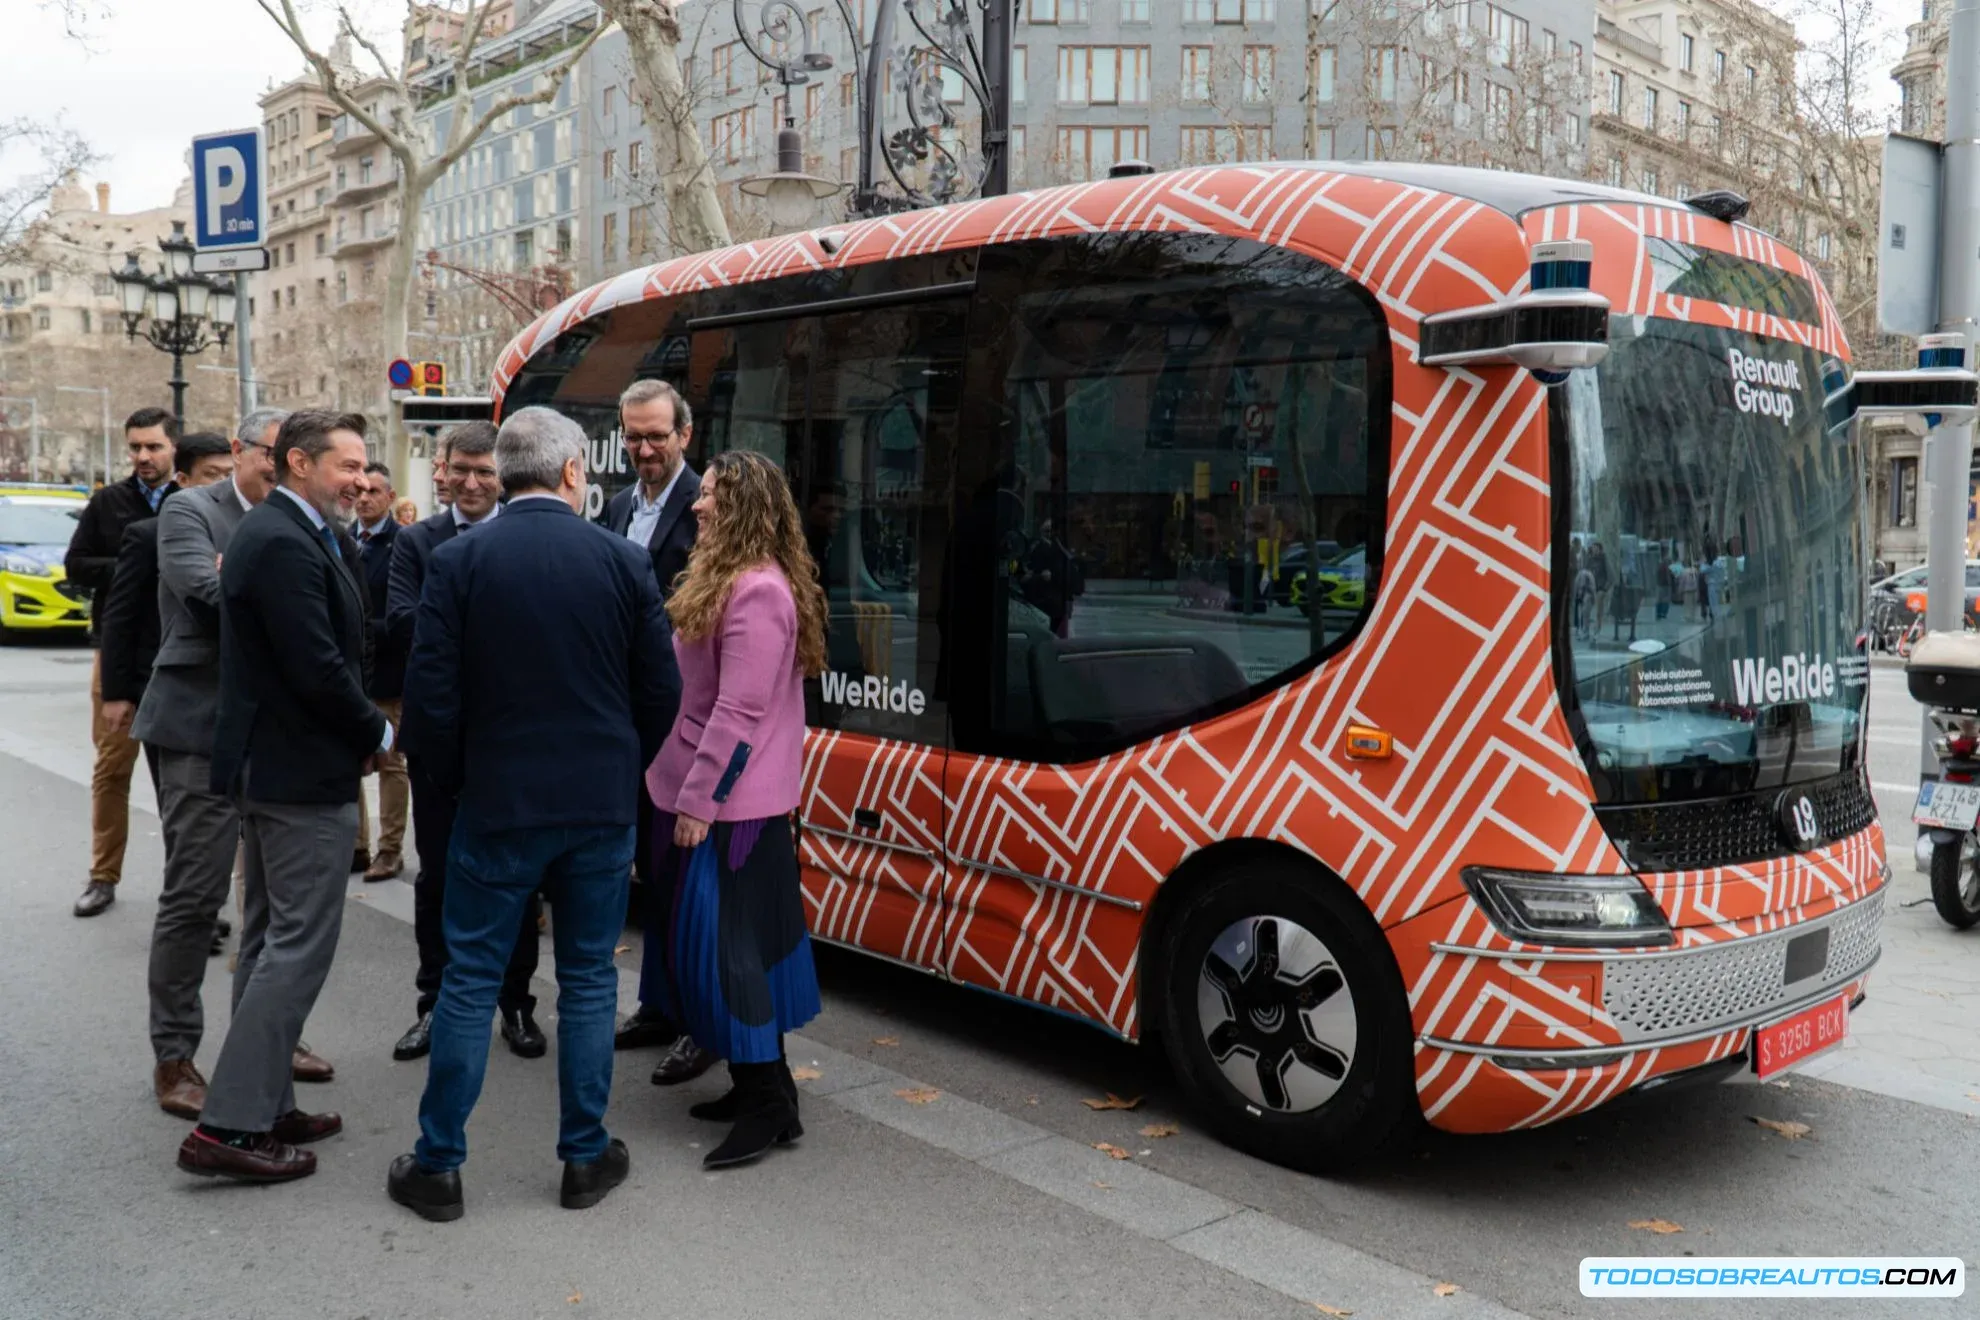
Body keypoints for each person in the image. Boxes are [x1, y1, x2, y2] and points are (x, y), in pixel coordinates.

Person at [387, 407, 679, 1222]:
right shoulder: (623, 560)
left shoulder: (462, 558)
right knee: (589, 980)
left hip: (497, 802)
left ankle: (439, 1164)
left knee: (470, 978)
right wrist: (622, 771)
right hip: (596, 804)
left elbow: (432, 693)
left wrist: (453, 783)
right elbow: (660, 692)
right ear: (575, 471)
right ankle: (584, 1156)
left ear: (503, 470)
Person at [176, 410, 387, 1185]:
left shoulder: (285, 530)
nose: (361, 479)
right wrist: (380, 731)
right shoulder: (280, 538)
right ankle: (230, 1124)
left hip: (279, 769)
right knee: (295, 947)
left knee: (268, 945)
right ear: (300, 462)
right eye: (348, 465)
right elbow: (317, 665)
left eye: (365, 467)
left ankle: (264, 1103)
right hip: (296, 775)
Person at [133, 411, 339, 1120]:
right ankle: (175, 1055)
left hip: (273, 736)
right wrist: (274, 592)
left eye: (291, 453)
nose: (278, 464)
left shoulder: (305, 520)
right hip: (197, 729)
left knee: (273, 906)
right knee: (195, 896)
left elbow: (328, 613)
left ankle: (264, 1048)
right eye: (267, 453)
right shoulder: (191, 508)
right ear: (239, 452)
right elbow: (210, 596)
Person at [644, 448, 825, 1169]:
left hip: (729, 809)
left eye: (712, 493)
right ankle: (768, 1091)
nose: (697, 502)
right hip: (729, 802)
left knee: (728, 957)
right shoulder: (745, 580)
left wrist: (700, 802)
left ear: (745, 506)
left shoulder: (756, 591)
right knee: (734, 954)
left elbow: (739, 711)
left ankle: (766, 1102)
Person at [386, 422, 544, 1062]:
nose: (474, 483)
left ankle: (517, 1003)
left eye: (487, 471)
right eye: (463, 470)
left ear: (503, 473)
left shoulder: (525, 538)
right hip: (439, 744)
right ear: (441, 471)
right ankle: (436, 1004)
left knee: (519, 877)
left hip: (514, 742)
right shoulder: (415, 542)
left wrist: (456, 623)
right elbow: (402, 626)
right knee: (441, 877)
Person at [602, 379, 714, 1087]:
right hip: (625, 722)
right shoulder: (615, 508)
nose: (645, 449)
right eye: (634, 437)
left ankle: (698, 1023)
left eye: (656, 436)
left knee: (683, 883)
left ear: (684, 435)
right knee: (648, 875)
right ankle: (656, 1004)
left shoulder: (708, 509)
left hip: (680, 720)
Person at [65, 406, 179, 918]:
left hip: (174, 652)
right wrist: (136, 562)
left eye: (153, 446)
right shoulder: (108, 501)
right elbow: (76, 565)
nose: (143, 456)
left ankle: (185, 892)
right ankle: (102, 876)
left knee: (178, 781)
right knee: (112, 769)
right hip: (114, 650)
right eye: (135, 447)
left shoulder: (190, 500)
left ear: (173, 448)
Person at [97, 432, 236, 802]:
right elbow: (120, 615)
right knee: (181, 807)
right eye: (212, 475)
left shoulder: (246, 531)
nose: (223, 485)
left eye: (229, 474)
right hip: (164, 686)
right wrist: (116, 693)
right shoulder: (149, 536)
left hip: (228, 689)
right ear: (184, 481)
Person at [353, 461, 410, 881]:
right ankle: (356, 846)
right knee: (350, 758)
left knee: (391, 764)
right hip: (350, 675)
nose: (364, 498)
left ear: (390, 498)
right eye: (359, 490)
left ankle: (389, 849)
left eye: (374, 491)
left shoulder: (403, 544)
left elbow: (400, 616)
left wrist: (351, 627)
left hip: (390, 673)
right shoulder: (338, 540)